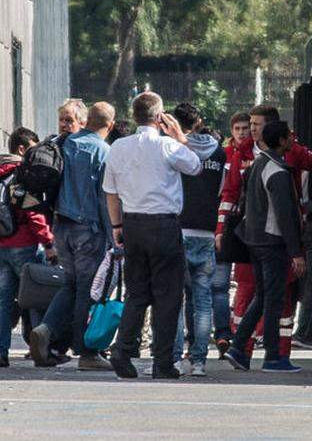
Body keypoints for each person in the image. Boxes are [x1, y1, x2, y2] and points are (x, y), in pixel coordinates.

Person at [216, 105, 312, 359]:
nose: (251, 129)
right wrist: (221, 230)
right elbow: (230, 194)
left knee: (276, 295)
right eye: (249, 124)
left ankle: (274, 352)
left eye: (256, 125)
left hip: (272, 238)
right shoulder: (245, 154)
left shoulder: (290, 154)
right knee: (253, 292)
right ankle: (246, 348)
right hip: (260, 238)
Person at [104, 93, 202, 380]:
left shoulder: (118, 148)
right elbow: (195, 166)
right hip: (163, 224)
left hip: (132, 223)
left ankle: (122, 349)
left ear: (134, 116)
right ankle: (162, 362)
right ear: (160, 117)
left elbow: (110, 191)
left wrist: (117, 226)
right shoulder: (168, 145)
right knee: (168, 295)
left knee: (137, 292)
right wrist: (180, 136)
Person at [30, 102, 116, 370]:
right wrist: (113, 235)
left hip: (61, 226)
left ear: (86, 119)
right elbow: (105, 198)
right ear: (110, 125)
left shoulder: (64, 144)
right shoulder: (103, 150)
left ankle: (46, 329)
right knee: (87, 290)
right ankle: (87, 352)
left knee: (70, 284)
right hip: (88, 229)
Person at [224, 120, 306, 374]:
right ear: (281, 141)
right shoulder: (278, 172)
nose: (292, 140)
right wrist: (296, 252)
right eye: (288, 137)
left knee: (262, 296)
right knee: (273, 300)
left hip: (253, 240)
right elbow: (285, 215)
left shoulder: (257, 165)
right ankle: (272, 356)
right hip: (273, 242)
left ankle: (238, 347)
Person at [0, 126, 57, 368]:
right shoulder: (21, 174)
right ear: (21, 148)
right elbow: (33, 212)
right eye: (32, 149)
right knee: (35, 298)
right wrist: (48, 242)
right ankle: (39, 349)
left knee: (3, 300)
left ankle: (0, 352)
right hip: (25, 244)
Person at [170, 103, 226, 377]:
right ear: (199, 121)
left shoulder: (175, 149)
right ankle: (199, 361)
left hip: (178, 229)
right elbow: (222, 191)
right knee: (202, 298)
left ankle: (175, 358)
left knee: (175, 298)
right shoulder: (220, 151)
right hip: (206, 231)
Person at [211, 111, 252, 356]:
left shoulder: (251, 154)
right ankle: (225, 333)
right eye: (237, 129)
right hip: (227, 225)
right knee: (221, 284)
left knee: (247, 283)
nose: (241, 133)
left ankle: (240, 332)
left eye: (245, 128)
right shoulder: (225, 156)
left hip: (245, 227)